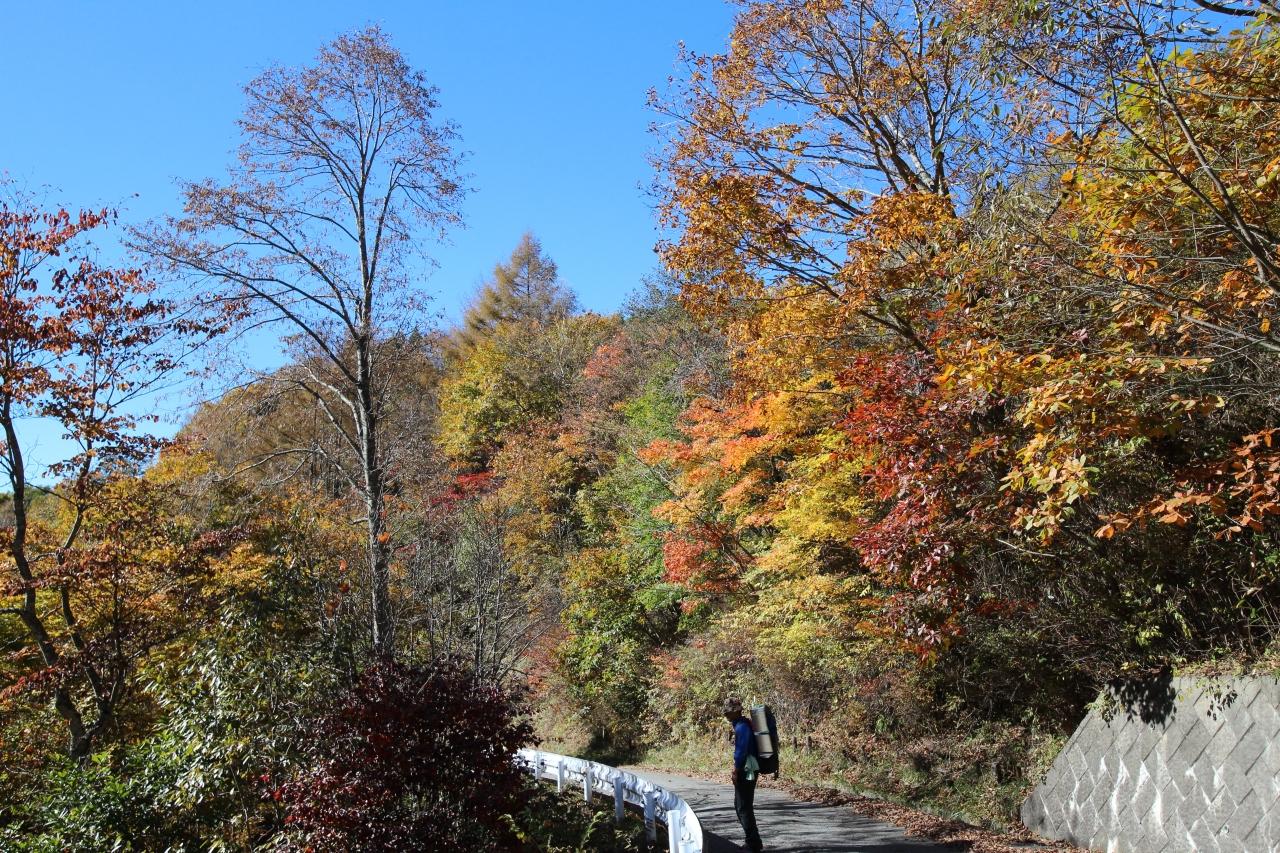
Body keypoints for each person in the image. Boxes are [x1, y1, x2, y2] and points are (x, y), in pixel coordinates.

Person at [724, 697, 764, 852]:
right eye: (726, 712)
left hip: (747, 768)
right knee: (742, 805)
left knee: (743, 806)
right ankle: (753, 841)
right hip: (750, 766)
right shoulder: (744, 724)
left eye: (729, 712)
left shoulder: (742, 727)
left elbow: (741, 751)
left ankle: (753, 843)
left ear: (737, 711)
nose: (726, 715)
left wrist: (735, 770)